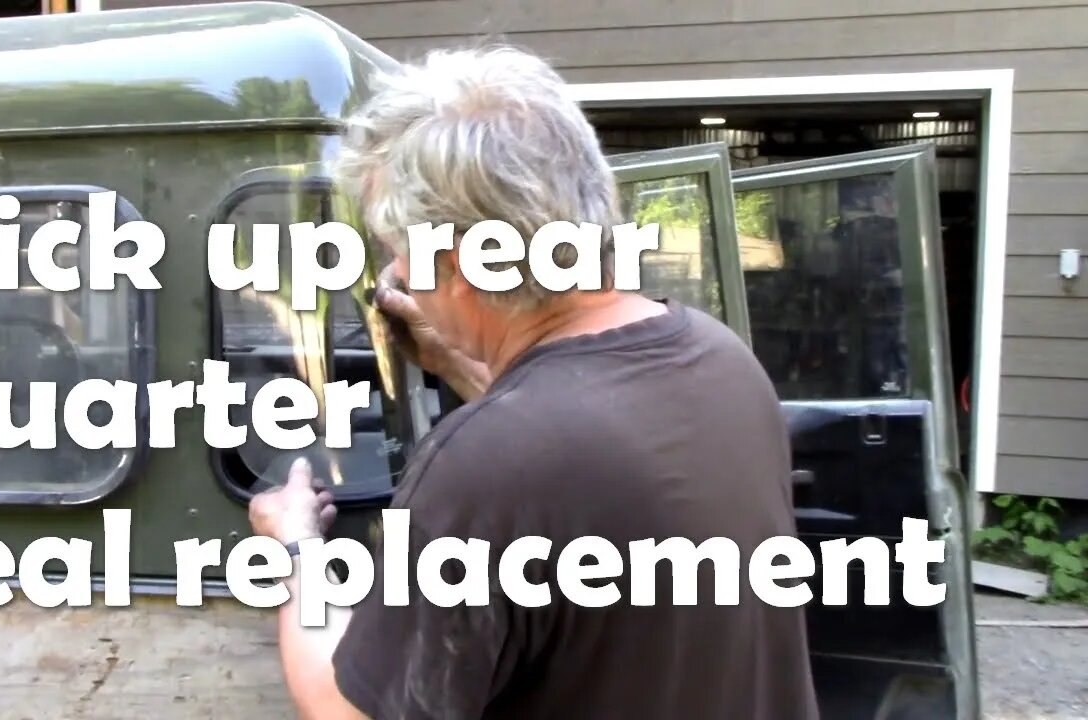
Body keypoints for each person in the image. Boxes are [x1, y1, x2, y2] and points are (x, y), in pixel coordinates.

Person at [248, 45, 820, 720]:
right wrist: (466, 365)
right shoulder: (721, 361)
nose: (396, 278)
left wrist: (293, 549)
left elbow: (348, 711)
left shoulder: (487, 468)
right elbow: (593, 461)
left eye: (398, 254)